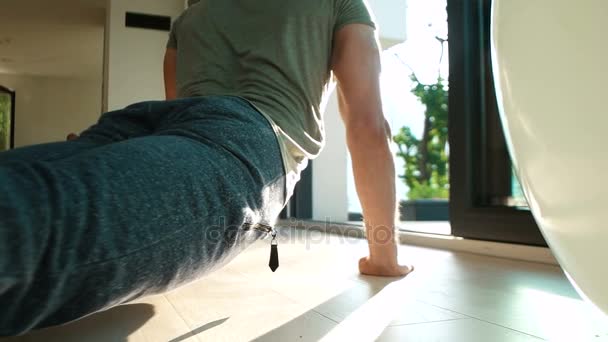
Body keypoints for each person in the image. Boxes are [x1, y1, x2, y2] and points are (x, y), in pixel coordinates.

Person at [0, 0, 413, 336]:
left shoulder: (193, 14)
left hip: (140, 122)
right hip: (239, 140)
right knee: (38, 214)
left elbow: (176, 112)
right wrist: (384, 258)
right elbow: (368, 127)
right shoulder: (340, 3)